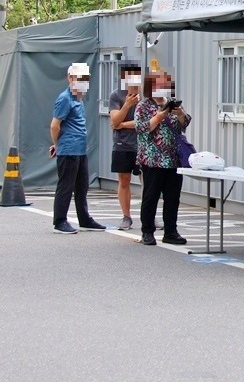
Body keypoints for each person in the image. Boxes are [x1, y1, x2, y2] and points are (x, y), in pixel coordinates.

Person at [134, 71, 191, 246]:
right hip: (152, 158)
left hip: (173, 159)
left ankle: (171, 231)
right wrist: (158, 117)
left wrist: (180, 114)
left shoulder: (171, 104)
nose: (163, 88)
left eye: (166, 84)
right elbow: (141, 128)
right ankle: (147, 231)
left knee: (173, 197)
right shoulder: (144, 106)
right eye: (159, 84)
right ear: (151, 87)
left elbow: (184, 124)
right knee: (151, 196)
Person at [49, 63, 107, 234]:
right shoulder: (65, 98)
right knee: (66, 185)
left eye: (85, 79)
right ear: (70, 78)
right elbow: (55, 125)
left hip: (80, 149)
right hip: (68, 149)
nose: (82, 82)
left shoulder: (78, 98)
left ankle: (84, 218)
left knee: (82, 186)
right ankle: (60, 221)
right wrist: (57, 145)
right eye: (78, 78)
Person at [109, 62, 142, 230]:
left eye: (136, 76)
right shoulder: (116, 96)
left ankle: (148, 215)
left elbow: (146, 122)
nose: (133, 80)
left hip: (144, 145)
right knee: (124, 180)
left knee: (149, 181)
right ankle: (126, 216)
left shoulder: (145, 95)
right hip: (122, 145)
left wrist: (123, 124)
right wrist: (127, 105)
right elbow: (114, 121)